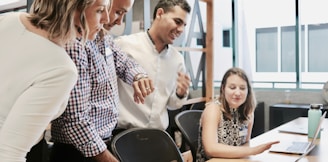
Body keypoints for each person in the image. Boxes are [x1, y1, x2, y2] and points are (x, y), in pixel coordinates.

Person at [0, 0, 107, 161]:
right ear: (73, 8)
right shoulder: (61, 69)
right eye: (100, 10)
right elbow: (9, 154)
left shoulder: (9, 19)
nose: (106, 18)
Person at [50, 0, 153, 162]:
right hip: (78, 151)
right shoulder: (74, 45)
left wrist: (138, 76)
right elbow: (75, 120)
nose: (118, 21)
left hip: (101, 142)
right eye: (118, 12)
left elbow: (125, 63)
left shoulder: (102, 36)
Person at [114, 0, 191, 132]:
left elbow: (173, 104)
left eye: (184, 25)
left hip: (159, 136)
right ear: (160, 13)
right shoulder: (124, 45)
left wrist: (180, 93)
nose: (181, 30)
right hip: (123, 134)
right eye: (177, 22)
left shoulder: (177, 60)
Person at [196, 67, 279, 161]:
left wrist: (250, 152)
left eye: (242, 88)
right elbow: (210, 149)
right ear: (223, 88)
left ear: (248, 91)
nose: (238, 93)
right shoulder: (213, 109)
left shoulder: (248, 111)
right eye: (232, 87)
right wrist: (253, 151)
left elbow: (245, 144)